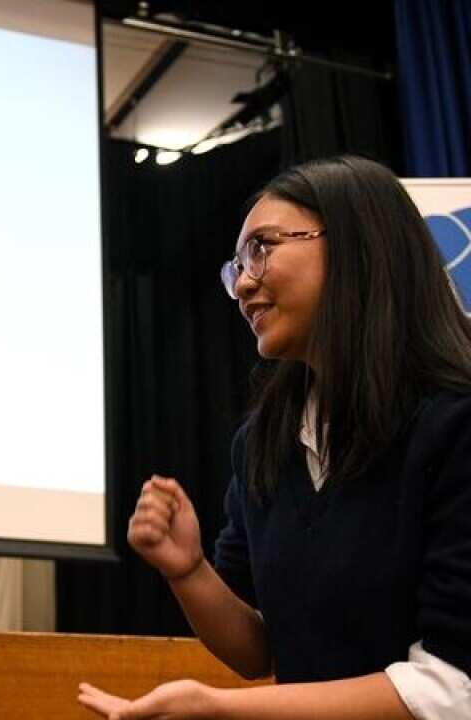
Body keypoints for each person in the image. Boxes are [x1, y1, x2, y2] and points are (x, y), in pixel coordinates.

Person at [79, 156, 471, 719]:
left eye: (261, 249)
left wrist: (220, 709)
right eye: (236, 264)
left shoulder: (454, 422)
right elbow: (257, 648)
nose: (241, 284)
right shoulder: (264, 442)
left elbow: (450, 686)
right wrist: (188, 571)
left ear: (359, 245)